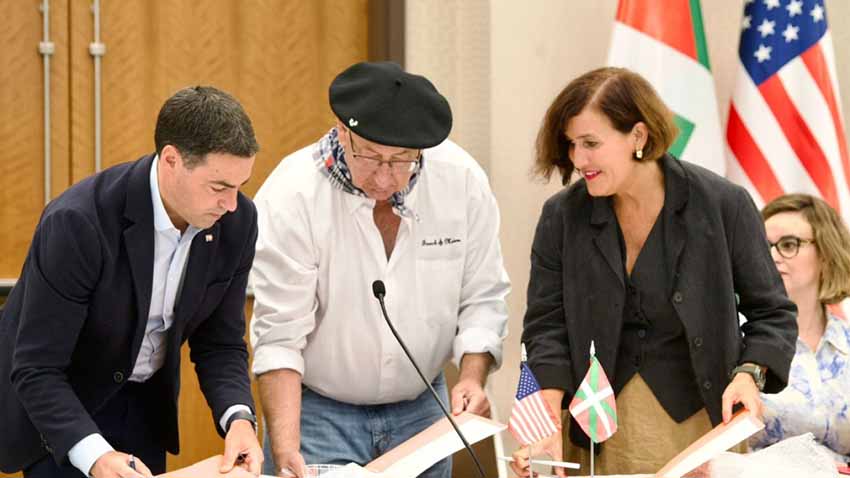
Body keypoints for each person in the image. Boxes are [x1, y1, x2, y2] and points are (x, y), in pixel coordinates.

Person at [510, 67, 798, 476]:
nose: (578, 159)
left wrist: (750, 374)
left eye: (590, 143)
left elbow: (773, 314)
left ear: (638, 136)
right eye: (571, 144)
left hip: (699, 419)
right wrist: (549, 412)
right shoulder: (562, 215)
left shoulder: (723, 204)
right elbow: (546, 324)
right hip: (595, 428)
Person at [250, 61, 510, 478]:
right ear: (342, 132)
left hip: (423, 406)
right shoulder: (293, 194)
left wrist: (472, 377)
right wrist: (285, 448)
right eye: (370, 156)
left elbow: (483, 296)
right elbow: (279, 336)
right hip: (319, 411)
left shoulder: (461, 181)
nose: (385, 177)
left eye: (402, 160)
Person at [0, 86, 264, 477]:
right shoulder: (78, 222)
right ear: (171, 160)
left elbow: (220, 342)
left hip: (144, 406)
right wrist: (95, 456)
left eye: (240, 186)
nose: (231, 204)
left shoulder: (237, 221)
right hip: (60, 409)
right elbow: (37, 367)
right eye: (219, 187)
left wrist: (238, 418)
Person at [748, 194, 850, 462]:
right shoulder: (737, 340)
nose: (772, 256)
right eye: (764, 246)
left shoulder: (847, 341)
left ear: (826, 254)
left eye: (788, 245)